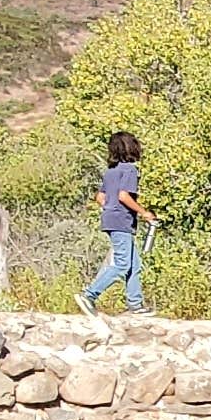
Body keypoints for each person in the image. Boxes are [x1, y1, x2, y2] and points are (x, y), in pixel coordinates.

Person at [78, 130, 149, 313]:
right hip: (122, 221)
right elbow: (124, 196)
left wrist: (110, 209)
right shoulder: (130, 170)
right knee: (122, 264)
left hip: (111, 219)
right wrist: (144, 213)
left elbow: (100, 197)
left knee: (134, 264)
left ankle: (136, 304)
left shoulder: (111, 171)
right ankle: (90, 295)